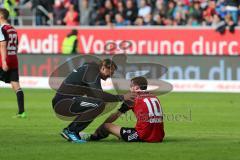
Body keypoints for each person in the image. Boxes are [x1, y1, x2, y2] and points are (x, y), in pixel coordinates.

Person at [52, 58, 135, 143]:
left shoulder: (90, 70)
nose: (110, 75)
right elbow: (99, 95)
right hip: (65, 102)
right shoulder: (92, 71)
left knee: (99, 104)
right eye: (111, 72)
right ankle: (71, 131)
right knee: (99, 104)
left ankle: (72, 131)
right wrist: (122, 97)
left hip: (63, 102)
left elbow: (95, 96)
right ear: (103, 68)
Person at [83, 76, 165, 143]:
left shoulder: (132, 98)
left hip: (142, 136)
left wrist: (101, 126)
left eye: (131, 86)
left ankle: (93, 137)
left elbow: (115, 115)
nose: (130, 88)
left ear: (136, 87)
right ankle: (122, 135)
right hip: (158, 136)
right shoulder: (154, 97)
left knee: (106, 126)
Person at [0, 8, 26, 118]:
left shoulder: (2, 29)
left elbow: (2, 45)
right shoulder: (13, 29)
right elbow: (16, 45)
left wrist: (4, 61)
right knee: (16, 85)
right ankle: (22, 112)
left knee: (15, 84)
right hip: (14, 58)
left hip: (4, 59)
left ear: (1, 16)